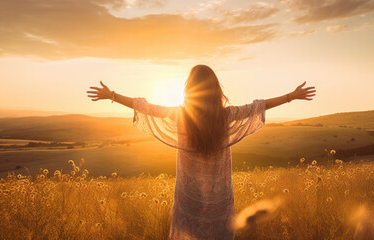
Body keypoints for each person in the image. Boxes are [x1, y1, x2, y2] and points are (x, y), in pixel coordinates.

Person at [87, 65, 315, 239]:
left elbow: (146, 108)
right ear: (216, 89)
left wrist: (113, 96)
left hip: (188, 193)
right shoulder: (226, 116)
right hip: (219, 194)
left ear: (190, 89)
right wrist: (290, 96)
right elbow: (259, 106)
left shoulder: (181, 115)